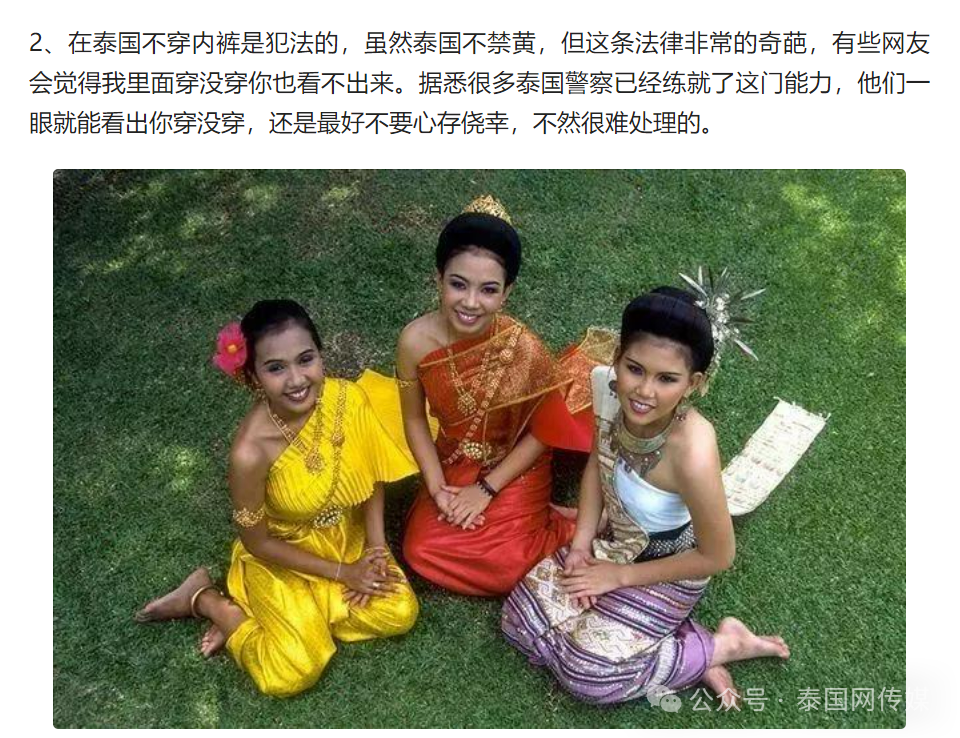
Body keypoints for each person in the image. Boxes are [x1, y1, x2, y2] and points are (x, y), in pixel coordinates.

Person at [501, 287, 789, 707]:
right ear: (617, 357)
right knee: (519, 621)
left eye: (667, 379)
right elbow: (596, 468)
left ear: (693, 384)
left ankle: (719, 646)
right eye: (635, 369)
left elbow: (718, 556)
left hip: (671, 566)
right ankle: (659, 637)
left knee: (588, 675)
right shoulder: (608, 391)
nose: (644, 392)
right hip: (614, 542)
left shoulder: (693, 450)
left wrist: (616, 577)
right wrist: (580, 547)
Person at [135, 300, 419, 697]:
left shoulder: (346, 399)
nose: (296, 379)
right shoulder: (250, 453)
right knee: (291, 674)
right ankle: (209, 602)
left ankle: (295, 616)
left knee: (400, 611)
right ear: (253, 376)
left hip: (345, 537)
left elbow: (371, 475)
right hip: (282, 555)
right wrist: (345, 574)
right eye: (275, 368)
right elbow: (258, 542)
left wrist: (375, 549)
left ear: (320, 355)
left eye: (306, 359)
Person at [359, 196, 580, 596]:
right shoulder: (414, 342)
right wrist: (436, 487)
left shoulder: (522, 346)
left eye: (488, 290)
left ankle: (566, 525)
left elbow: (544, 433)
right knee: (420, 549)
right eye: (458, 284)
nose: (471, 302)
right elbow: (414, 419)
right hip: (453, 459)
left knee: (508, 567)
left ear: (506, 293)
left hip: (516, 463)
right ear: (438, 279)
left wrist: (486, 490)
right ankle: (531, 519)